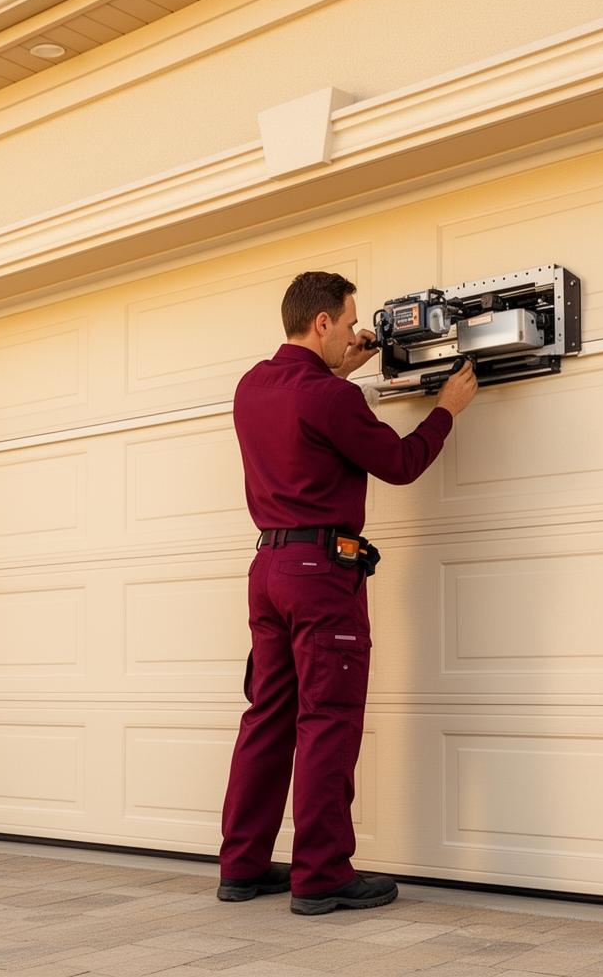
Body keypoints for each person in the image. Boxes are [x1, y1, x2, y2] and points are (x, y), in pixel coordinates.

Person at [216, 270, 477, 915]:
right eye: (349, 319)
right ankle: (323, 874)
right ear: (324, 321)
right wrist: (447, 410)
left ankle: (242, 865)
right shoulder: (332, 399)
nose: (355, 333)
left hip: (268, 572)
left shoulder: (252, 387)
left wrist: (340, 375)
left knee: (268, 717)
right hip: (321, 576)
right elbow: (400, 463)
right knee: (328, 720)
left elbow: (305, 410)